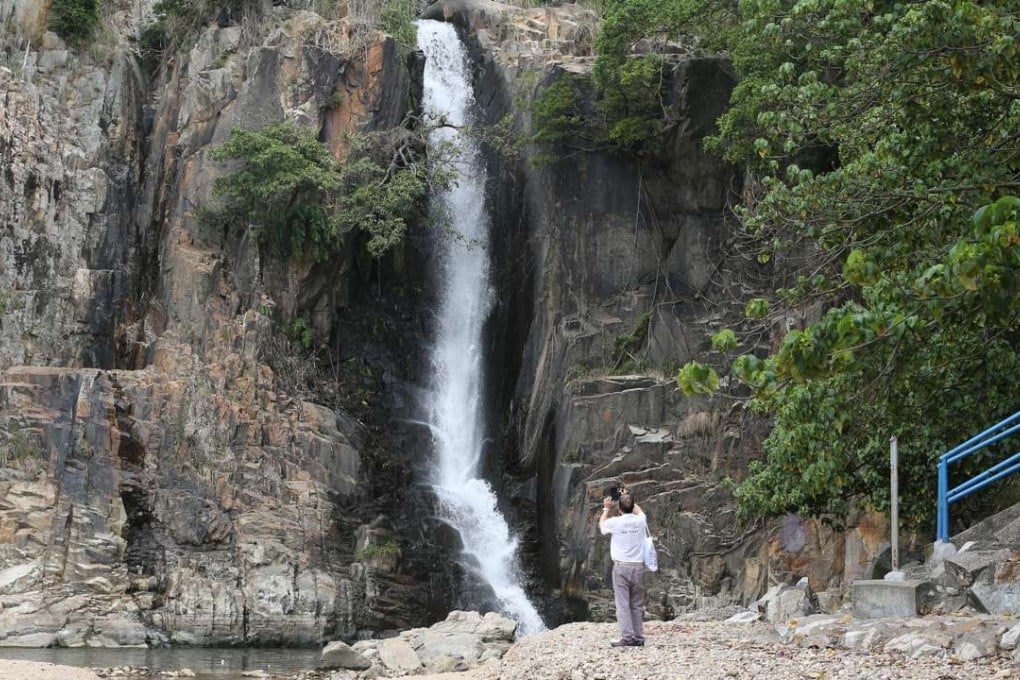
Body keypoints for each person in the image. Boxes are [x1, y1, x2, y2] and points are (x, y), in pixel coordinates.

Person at [598, 490, 646, 647]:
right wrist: (628, 496)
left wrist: (606, 508)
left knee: (623, 604)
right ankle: (638, 637)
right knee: (637, 604)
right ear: (632, 506)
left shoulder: (616, 522)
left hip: (621, 568)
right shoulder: (640, 521)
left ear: (619, 508)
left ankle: (627, 637)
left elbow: (602, 526)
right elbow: (639, 511)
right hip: (638, 567)